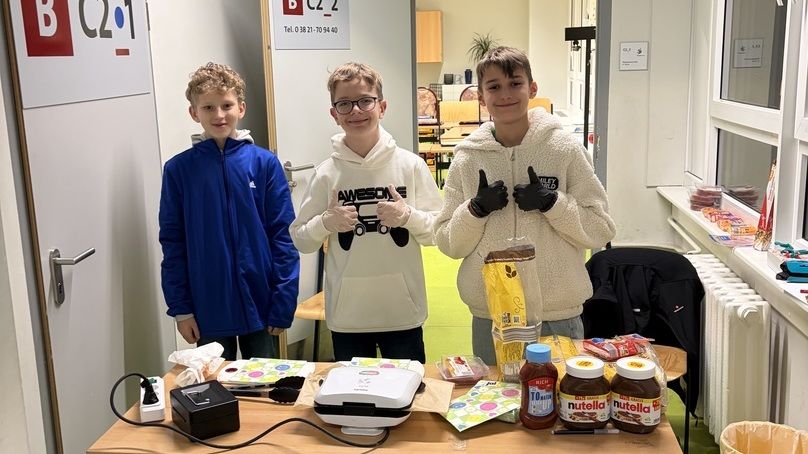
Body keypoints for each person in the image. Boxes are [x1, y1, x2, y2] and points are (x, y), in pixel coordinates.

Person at [433, 47, 616, 366]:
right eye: (494, 86)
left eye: (515, 83)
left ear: (532, 88)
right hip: (492, 313)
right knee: (497, 396)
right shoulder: (467, 158)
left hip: (556, 312)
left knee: (559, 394)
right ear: (480, 97)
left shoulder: (564, 150)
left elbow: (600, 230)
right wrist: (475, 210)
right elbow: (448, 243)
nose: (505, 94)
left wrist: (552, 203)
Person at [290, 62, 442, 363]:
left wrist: (407, 217)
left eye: (365, 101)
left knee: (409, 388)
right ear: (334, 114)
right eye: (344, 104)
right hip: (348, 317)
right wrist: (326, 223)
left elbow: (437, 233)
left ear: (381, 107)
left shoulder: (410, 165)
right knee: (351, 392)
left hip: (402, 313)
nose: (356, 110)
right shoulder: (326, 174)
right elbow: (300, 240)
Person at [159, 62, 300, 361]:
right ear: (194, 113)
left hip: (261, 304)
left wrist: (283, 299)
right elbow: (173, 242)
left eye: (226, 105)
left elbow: (283, 235)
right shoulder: (179, 170)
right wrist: (181, 309)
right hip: (207, 306)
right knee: (214, 386)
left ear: (241, 108)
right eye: (208, 107)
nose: (219, 115)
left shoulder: (264, 164)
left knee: (262, 383)